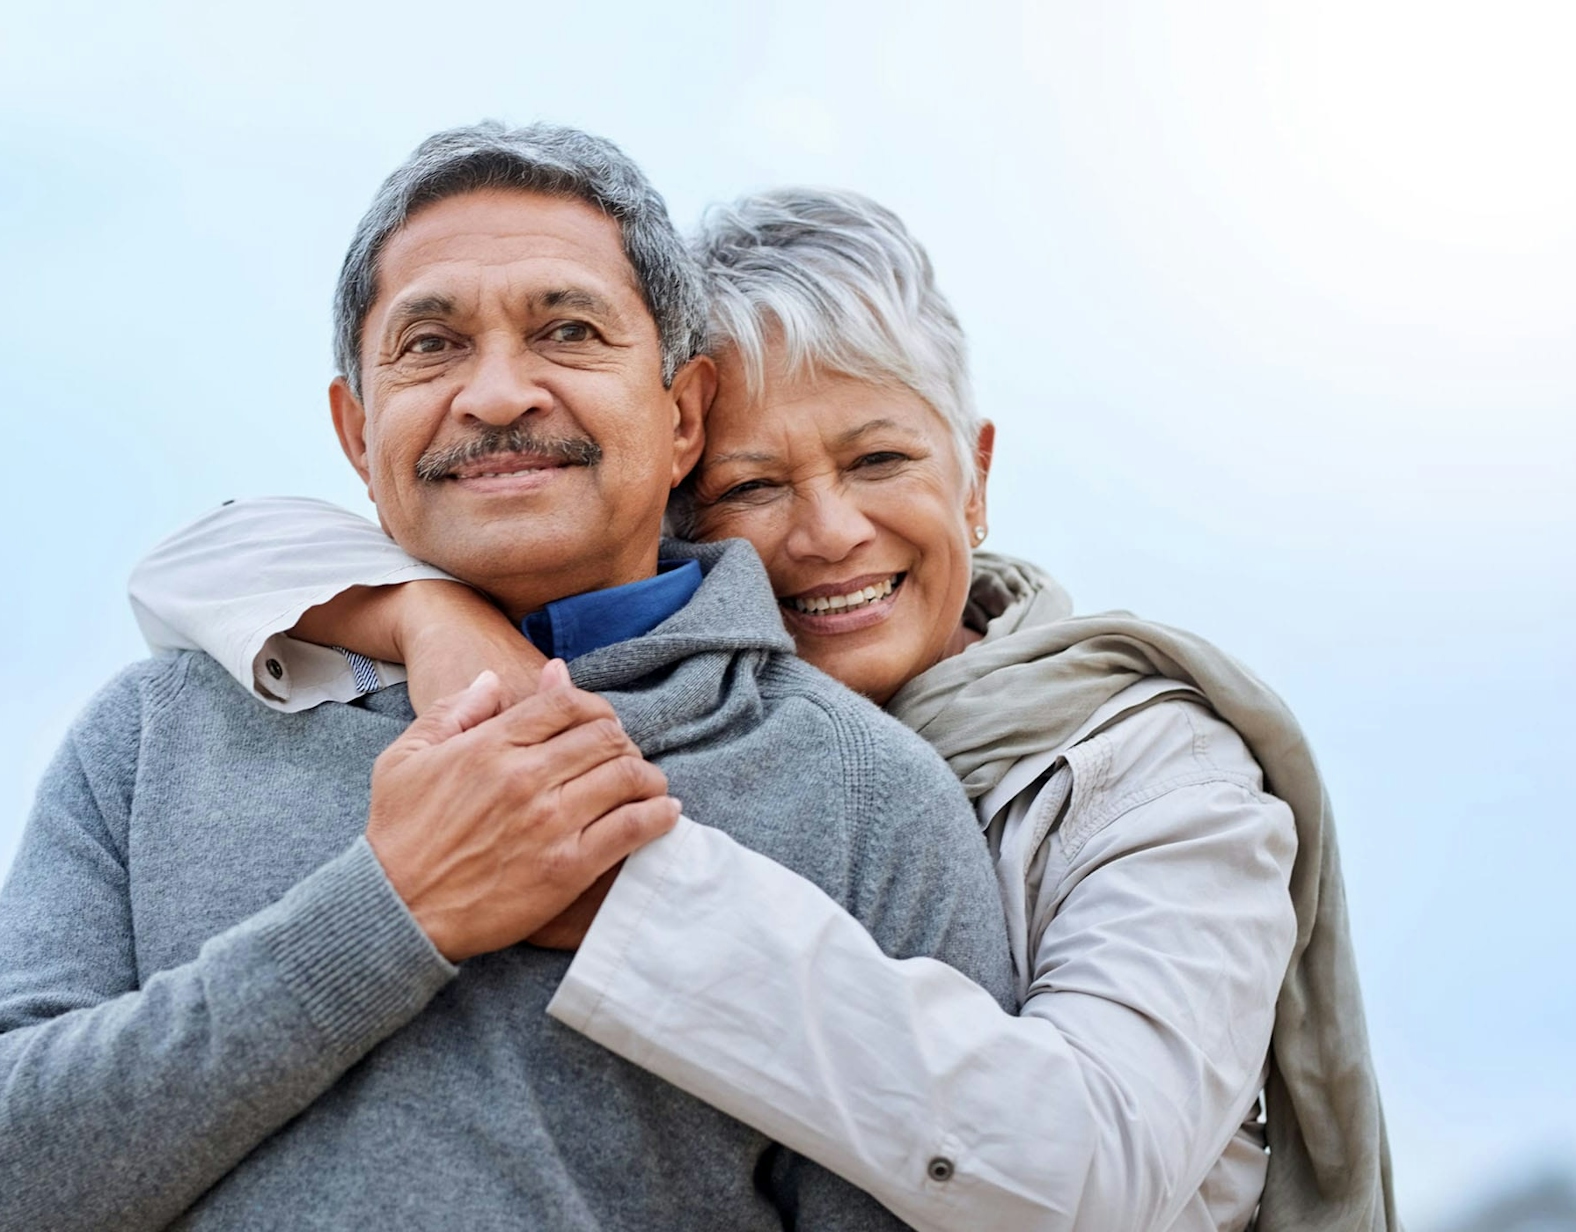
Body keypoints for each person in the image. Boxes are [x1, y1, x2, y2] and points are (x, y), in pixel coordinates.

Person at [130, 190, 1399, 1232]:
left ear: (978, 477)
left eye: (880, 459)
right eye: (752, 484)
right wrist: (420, 611)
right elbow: (198, 555)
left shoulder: (1145, 769)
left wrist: (619, 890)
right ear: (670, 474)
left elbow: (1093, 1163)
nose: (828, 531)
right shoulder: (688, 717)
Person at [0, 125, 1017, 1232]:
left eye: (567, 330)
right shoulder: (158, 733)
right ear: (355, 428)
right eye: (429, 345)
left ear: (682, 415)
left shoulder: (869, 794)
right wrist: (389, 912)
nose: (493, 394)